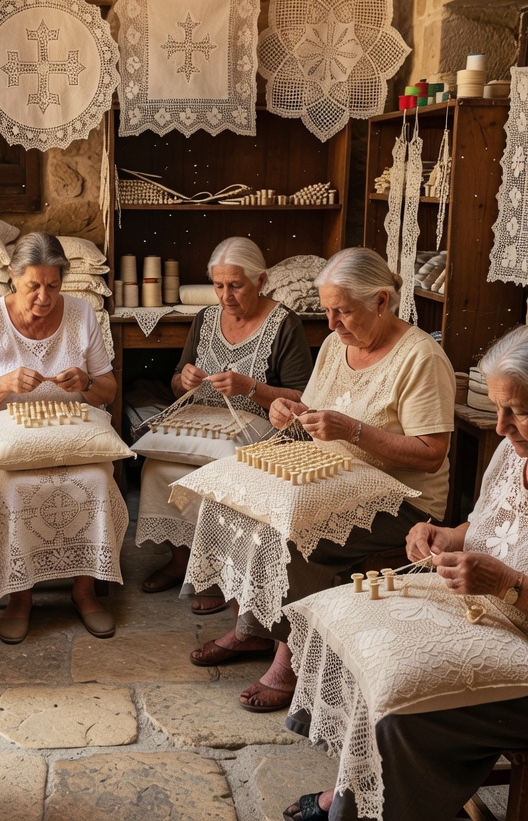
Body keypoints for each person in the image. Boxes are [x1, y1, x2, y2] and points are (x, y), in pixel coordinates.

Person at [284, 321, 528, 821]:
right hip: (502, 631)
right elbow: (493, 521)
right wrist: (447, 536)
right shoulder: (525, 448)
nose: (500, 426)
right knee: (353, 624)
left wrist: (507, 585)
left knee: (408, 713)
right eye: (497, 407)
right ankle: (358, 798)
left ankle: (363, 810)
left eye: (518, 411)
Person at [191, 247, 456, 711]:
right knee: (235, 503)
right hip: (332, 479)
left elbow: (432, 455)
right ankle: (252, 630)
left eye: (343, 311)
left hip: (402, 501)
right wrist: (286, 411)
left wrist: (353, 431)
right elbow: (311, 412)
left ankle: (289, 662)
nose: (331, 324)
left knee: (298, 534)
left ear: (381, 301)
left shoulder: (421, 358)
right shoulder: (338, 344)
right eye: (328, 310)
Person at [0, 232, 123, 644]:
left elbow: (108, 392)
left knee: (98, 480)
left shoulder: (83, 314)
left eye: (53, 285)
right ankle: (20, 595)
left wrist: (85, 381)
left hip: (71, 432)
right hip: (2, 437)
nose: (44, 297)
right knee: (12, 486)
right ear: (13, 277)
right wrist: (5, 382)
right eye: (33, 285)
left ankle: (84, 591)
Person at [136, 237, 312, 613]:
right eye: (218, 285)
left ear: (261, 281)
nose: (226, 296)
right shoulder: (205, 319)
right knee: (156, 468)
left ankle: (217, 573)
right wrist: (182, 380)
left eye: (236, 285)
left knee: (224, 472)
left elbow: (300, 401)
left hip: (263, 432)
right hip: (204, 424)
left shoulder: (285, 324)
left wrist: (251, 387)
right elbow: (175, 381)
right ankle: (182, 560)